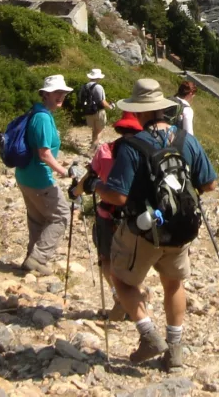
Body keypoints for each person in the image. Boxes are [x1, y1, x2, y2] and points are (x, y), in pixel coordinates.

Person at [84, 78, 217, 372]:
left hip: (144, 231)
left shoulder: (132, 146)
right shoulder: (187, 140)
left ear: (140, 112)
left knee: (122, 279)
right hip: (181, 228)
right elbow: (209, 184)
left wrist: (95, 185)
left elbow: (118, 195)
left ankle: (148, 335)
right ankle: (176, 350)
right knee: (174, 284)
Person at [71, 111, 143, 321]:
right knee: (133, 261)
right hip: (136, 216)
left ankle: (119, 296)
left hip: (108, 214)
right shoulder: (145, 152)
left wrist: (75, 192)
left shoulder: (106, 150)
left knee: (106, 258)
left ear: (120, 128)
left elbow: (89, 179)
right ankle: (135, 298)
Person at [17, 74, 74, 276]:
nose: (61, 96)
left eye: (63, 93)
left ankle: (31, 259)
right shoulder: (42, 118)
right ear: (45, 94)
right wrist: (64, 171)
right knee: (61, 215)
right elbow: (44, 153)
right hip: (38, 178)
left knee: (37, 218)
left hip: (26, 176)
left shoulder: (38, 112)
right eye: (56, 93)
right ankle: (38, 258)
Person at [80, 68, 112, 147]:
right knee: (100, 130)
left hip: (88, 111)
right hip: (98, 111)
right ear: (98, 77)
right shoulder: (99, 87)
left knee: (94, 130)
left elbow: (80, 98)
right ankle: (93, 149)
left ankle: (93, 145)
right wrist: (110, 106)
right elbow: (102, 102)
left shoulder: (84, 86)